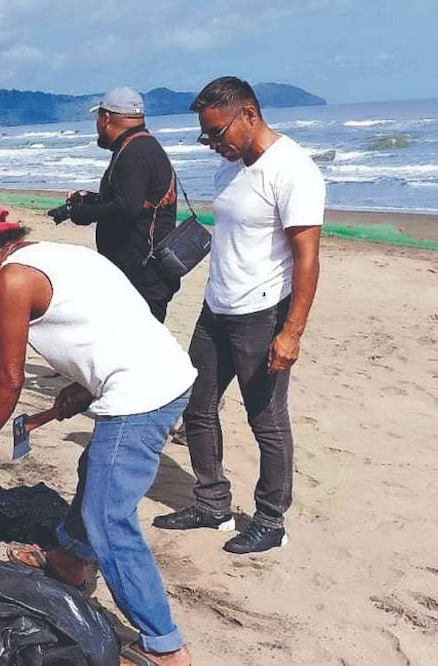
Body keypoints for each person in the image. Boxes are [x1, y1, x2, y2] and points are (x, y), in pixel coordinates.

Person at [0, 203, 197, 666]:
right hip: (164, 373)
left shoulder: (11, 280)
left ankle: (164, 646)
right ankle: (70, 560)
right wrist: (80, 390)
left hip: (140, 394)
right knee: (95, 468)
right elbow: (114, 326)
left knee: (109, 519)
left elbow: (9, 377)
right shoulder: (63, 255)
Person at [152, 76, 324, 554]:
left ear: (249, 114)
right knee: (196, 405)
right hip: (216, 306)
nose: (212, 145)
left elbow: (307, 257)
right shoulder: (229, 169)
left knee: (266, 419)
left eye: (217, 133)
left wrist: (292, 331)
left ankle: (271, 520)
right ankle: (212, 504)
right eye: (205, 137)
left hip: (263, 312)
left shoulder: (293, 170)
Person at [61, 86, 180, 322]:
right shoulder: (143, 147)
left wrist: (84, 213)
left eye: (98, 118)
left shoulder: (134, 152)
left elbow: (127, 208)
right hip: (143, 272)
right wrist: (93, 200)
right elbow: (132, 199)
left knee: (136, 348)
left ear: (105, 118)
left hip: (142, 275)